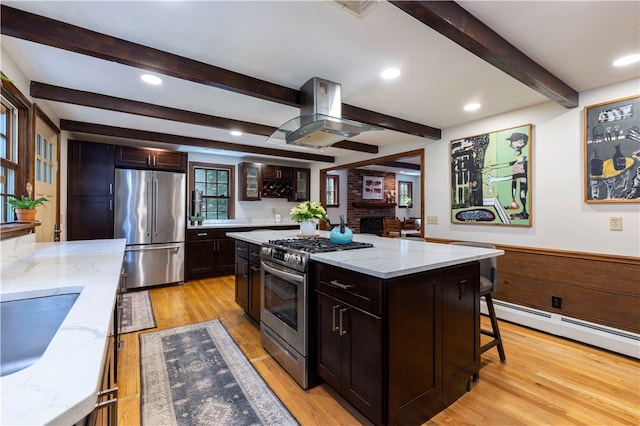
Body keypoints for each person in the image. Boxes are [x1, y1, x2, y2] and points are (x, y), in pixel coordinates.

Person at [483, 132, 529, 220]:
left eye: (512, 142)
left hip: (522, 181)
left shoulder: (523, 160)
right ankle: (514, 203)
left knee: (522, 194)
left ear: (520, 143)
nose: (510, 145)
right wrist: (491, 167)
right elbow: (507, 164)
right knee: (514, 187)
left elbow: (517, 175)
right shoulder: (518, 159)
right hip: (516, 180)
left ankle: (524, 213)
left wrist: (495, 179)